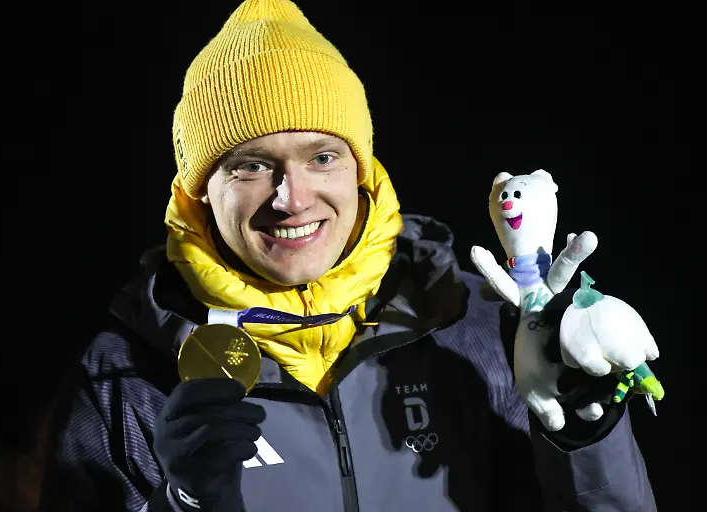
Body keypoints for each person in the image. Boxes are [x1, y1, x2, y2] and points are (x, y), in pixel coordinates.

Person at [38, 1, 658, 511]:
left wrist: (583, 435)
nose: (291, 198)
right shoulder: (123, 378)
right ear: (200, 193)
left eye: (322, 157)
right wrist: (182, 504)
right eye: (250, 166)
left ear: (362, 172)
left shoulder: (473, 327)